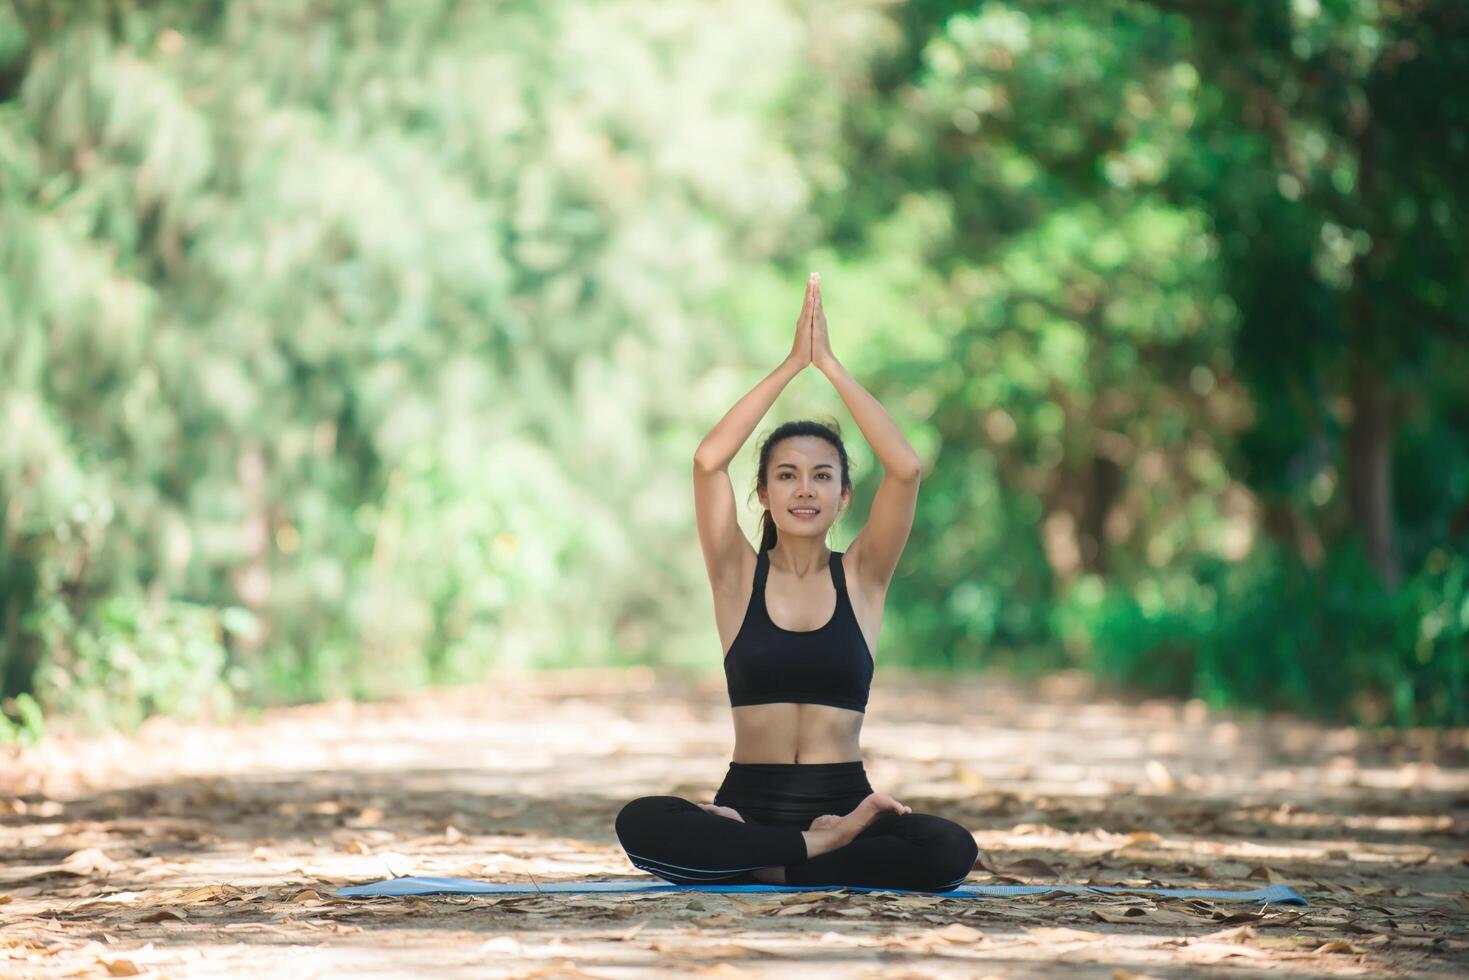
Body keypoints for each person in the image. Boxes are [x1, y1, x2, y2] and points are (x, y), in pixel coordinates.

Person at [614, 273, 978, 892]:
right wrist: (790, 365)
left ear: (843, 496)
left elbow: (908, 467)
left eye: (820, 476)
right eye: (785, 475)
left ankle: (768, 861)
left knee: (949, 847)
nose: (804, 488)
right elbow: (707, 461)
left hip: (846, 805)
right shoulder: (736, 575)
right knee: (641, 821)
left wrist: (830, 365)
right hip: (746, 805)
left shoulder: (863, 576)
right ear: (763, 492)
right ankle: (809, 853)